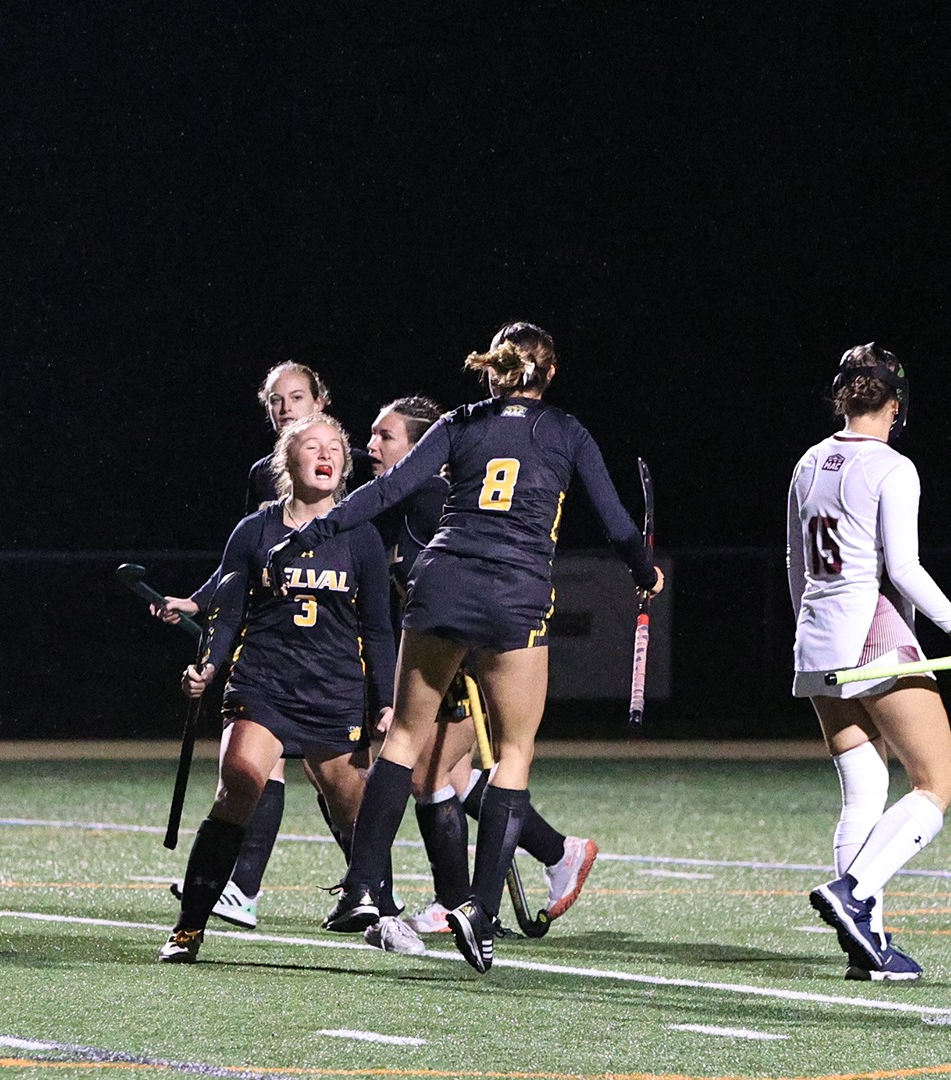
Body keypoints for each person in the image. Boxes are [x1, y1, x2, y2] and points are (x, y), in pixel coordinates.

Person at [267, 322, 663, 973]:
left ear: (492, 372)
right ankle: (478, 908)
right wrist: (644, 573)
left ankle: (365, 884)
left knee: (401, 743)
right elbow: (618, 524)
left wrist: (319, 529)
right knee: (513, 752)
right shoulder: (566, 431)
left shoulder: (460, 421)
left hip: (442, 582)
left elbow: (389, 489)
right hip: (514, 593)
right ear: (551, 373)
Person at [788, 344, 951, 981]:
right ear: (896, 405)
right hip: (871, 632)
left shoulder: (808, 462)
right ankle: (854, 894)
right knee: (937, 783)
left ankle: (870, 945)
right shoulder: (893, 466)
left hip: (817, 639)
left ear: (842, 396)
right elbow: (903, 569)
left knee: (864, 790)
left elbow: (797, 569)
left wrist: (813, 642)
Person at [358, 398, 598, 949]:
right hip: (449, 646)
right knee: (437, 770)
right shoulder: (403, 503)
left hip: (479, 649)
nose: (373, 447)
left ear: (419, 449)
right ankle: (555, 853)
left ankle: (460, 899)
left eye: (387, 437)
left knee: (431, 768)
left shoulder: (439, 499)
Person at [158, 413, 396, 962]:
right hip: (263, 681)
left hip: (334, 690)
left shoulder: (360, 535)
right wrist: (210, 667)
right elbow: (228, 611)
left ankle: (379, 906)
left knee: (353, 805)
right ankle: (189, 927)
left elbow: (379, 628)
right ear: (287, 461)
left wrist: (385, 700)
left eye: (335, 447)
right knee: (240, 778)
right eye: (312, 446)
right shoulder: (255, 531)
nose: (326, 455)